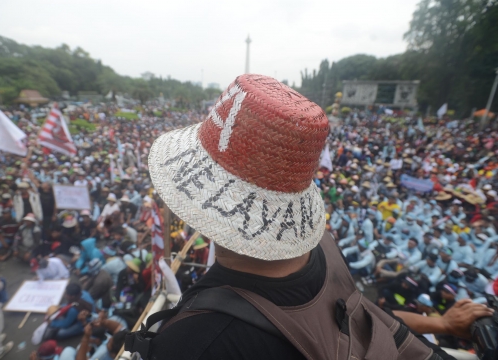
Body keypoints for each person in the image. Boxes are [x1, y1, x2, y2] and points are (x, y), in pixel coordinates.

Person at [127, 75, 447, 359]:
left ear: (201, 196)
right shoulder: (327, 247)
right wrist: (442, 325)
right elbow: (364, 318)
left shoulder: (191, 341)